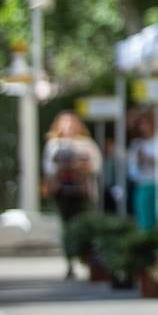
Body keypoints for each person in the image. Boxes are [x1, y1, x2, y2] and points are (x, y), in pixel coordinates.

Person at [43, 111, 102, 278]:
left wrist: (79, 167)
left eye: (71, 123)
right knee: (66, 226)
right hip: (63, 192)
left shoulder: (86, 144)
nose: (69, 127)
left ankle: (89, 261)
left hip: (83, 191)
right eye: (65, 123)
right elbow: (49, 169)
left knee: (85, 225)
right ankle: (70, 262)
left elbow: (96, 166)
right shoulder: (54, 144)